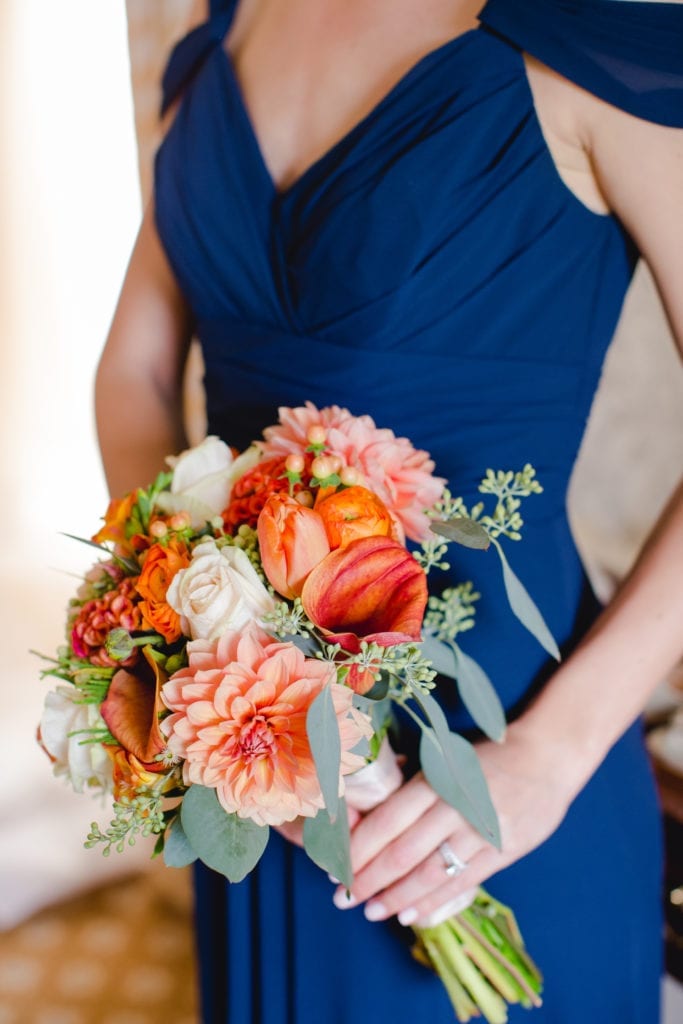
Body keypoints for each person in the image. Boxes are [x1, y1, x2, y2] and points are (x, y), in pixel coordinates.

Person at [95, 0, 683, 1020]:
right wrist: (198, 626)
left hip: (498, 761)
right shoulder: (222, 28)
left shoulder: (590, 41)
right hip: (260, 764)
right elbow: (134, 373)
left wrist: (548, 756)